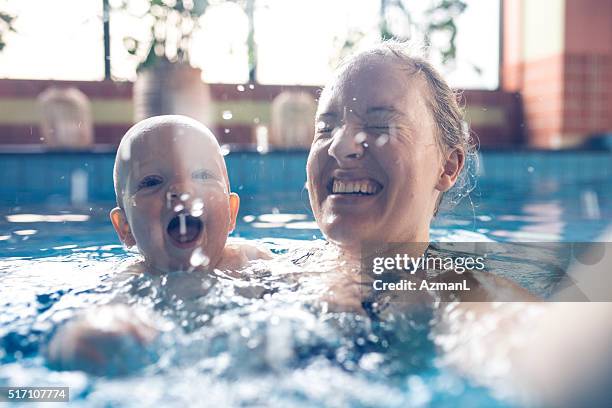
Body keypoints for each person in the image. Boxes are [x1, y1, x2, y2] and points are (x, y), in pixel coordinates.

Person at [46, 115, 271, 374]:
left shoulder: (251, 259)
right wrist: (96, 330)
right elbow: (91, 320)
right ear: (125, 228)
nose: (181, 188)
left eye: (201, 174)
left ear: (231, 213)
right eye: (152, 182)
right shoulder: (133, 279)